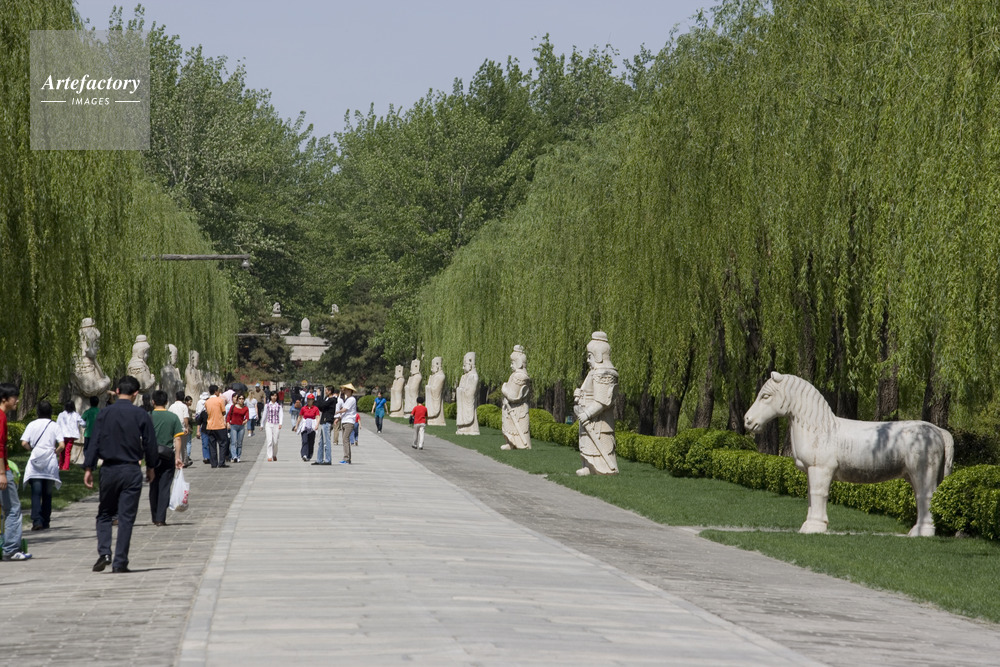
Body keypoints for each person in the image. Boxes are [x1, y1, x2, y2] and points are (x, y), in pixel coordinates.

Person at [83, 375, 157, 573]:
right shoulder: (140, 414)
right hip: (132, 469)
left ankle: (104, 552)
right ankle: (120, 562)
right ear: (135, 394)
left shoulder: (104, 413)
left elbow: (94, 441)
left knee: (105, 513)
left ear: (116, 391)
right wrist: (151, 467)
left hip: (109, 469)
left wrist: (89, 467)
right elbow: (150, 443)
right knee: (126, 517)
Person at [21, 400, 63, 531]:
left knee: (36, 492)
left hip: (35, 462)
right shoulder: (54, 426)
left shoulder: (32, 424)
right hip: (50, 462)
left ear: (38, 411)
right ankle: (46, 521)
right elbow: (62, 445)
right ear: (50, 412)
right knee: (47, 494)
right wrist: (55, 452)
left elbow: (24, 443)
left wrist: (32, 449)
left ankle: (37, 520)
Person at [0, 382, 29, 560]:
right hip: (2, 470)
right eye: (15, 397)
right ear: (4, 399)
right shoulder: (1, 417)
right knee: (12, 508)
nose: (17, 401)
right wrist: (2, 473)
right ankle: (11, 548)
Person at [149, 390, 184, 526]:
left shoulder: (148, 416)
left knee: (153, 486)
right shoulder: (173, 417)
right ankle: (160, 518)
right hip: (167, 455)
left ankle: (154, 516)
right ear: (166, 402)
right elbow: (178, 438)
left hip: (152, 456)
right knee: (164, 487)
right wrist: (177, 457)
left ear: (153, 402)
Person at [203, 385, 229, 468]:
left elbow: (207, 412)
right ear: (216, 391)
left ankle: (214, 463)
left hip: (210, 426)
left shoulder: (207, 402)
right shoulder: (220, 400)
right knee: (222, 444)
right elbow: (223, 412)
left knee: (212, 445)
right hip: (220, 425)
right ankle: (221, 462)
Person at [56, 400, 85, 470]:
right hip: (71, 436)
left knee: (62, 451)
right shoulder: (76, 415)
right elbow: (83, 423)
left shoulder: (61, 414)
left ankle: (61, 465)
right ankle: (66, 466)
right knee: (68, 452)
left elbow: (57, 424)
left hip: (63, 435)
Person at [313, 386, 338, 465]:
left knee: (326, 441)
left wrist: (319, 395)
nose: (325, 392)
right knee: (321, 442)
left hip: (327, 421)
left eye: (326, 390)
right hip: (323, 421)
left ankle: (328, 459)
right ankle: (319, 459)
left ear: (330, 391)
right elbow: (320, 407)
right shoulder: (327, 399)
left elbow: (322, 405)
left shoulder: (332, 400)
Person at [336, 384, 358, 464]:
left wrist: (337, 412)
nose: (344, 391)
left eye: (346, 390)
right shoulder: (347, 399)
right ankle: (347, 457)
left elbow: (344, 409)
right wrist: (338, 418)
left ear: (350, 391)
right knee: (345, 440)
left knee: (345, 439)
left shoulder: (351, 399)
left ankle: (347, 458)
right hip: (344, 420)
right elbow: (344, 411)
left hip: (349, 421)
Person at [168, 391, 191, 467]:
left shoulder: (171, 406)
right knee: (183, 446)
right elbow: (185, 418)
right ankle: (184, 461)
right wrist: (187, 427)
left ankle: (175, 460)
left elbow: (169, 417)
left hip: (173, 428)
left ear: (176, 397)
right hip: (182, 427)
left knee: (175, 445)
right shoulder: (184, 406)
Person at [294, 393, 319, 461]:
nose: (309, 401)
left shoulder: (315, 408)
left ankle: (309, 455)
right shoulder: (303, 408)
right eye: (308, 399)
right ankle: (304, 454)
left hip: (312, 426)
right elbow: (300, 417)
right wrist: (296, 426)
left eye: (310, 399)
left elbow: (317, 417)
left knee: (311, 442)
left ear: (313, 400)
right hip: (305, 425)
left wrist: (317, 425)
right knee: (305, 440)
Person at [226, 394, 249, 463]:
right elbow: (229, 415)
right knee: (233, 442)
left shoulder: (245, 408)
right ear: (237, 399)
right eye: (240, 399)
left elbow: (247, 416)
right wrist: (228, 423)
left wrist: (245, 420)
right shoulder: (233, 407)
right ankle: (234, 456)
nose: (241, 400)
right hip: (233, 426)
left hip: (241, 427)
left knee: (239, 443)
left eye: (242, 399)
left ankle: (238, 456)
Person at [261, 392, 283, 461]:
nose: (274, 397)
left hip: (276, 424)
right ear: (270, 397)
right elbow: (264, 415)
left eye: (275, 396)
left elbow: (281, 415)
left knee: (275, 441)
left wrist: (280, 423)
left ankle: (274, 454)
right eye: (272, 396)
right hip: (269, 424)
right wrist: (262, 424)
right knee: (269, 440)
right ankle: (269, 456)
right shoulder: (267, 405)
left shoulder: (279, 406)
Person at [80, 395, 100, 466]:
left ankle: (87, 463)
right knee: (96, 449)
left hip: (88, 434)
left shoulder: (88, 412)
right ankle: (94, 464)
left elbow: (81, 420)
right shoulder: (100, 411)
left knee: (86, 449)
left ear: (90, 403)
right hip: (97, 434)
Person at [195, 391, 210, 464]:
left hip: (211, 429)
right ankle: (206, 457)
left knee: (210, 444)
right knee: (205, 444)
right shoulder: (203, 413)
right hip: (204, 430)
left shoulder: (212, 412)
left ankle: (211, 457)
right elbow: (199, 422)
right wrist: (198, 431)